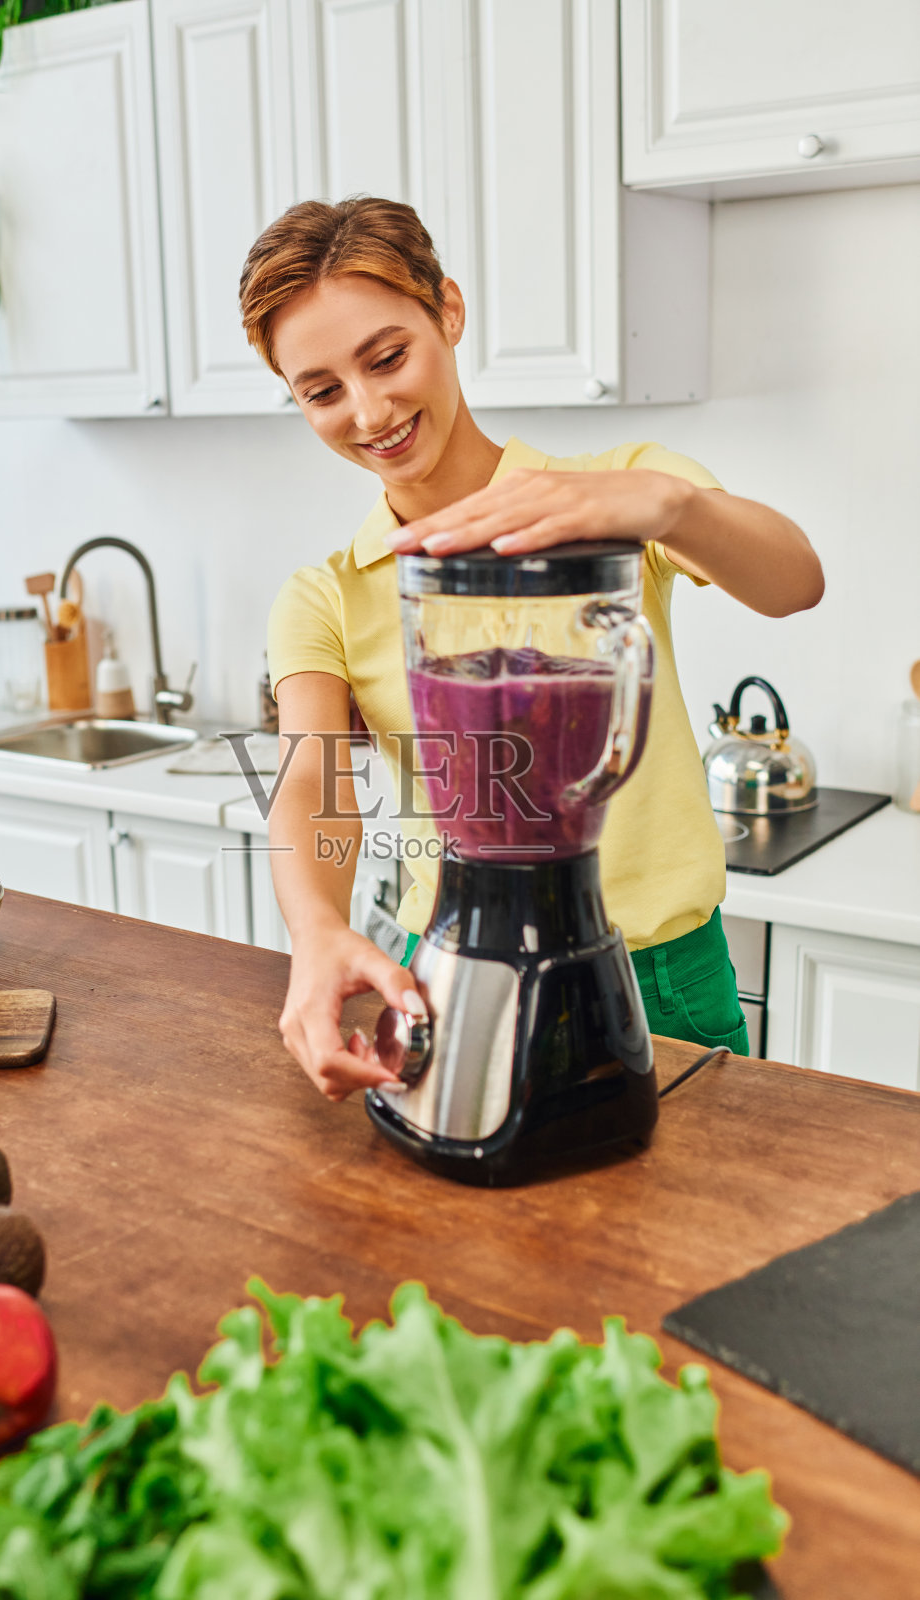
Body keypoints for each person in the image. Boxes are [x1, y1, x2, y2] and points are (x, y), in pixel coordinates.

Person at [239, 197, 824, 1103]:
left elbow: (793, 583)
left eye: (387, 356)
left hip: (660, 973)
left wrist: (665, 504)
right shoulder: (329, 592)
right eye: (321, 391)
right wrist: (316, 930)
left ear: (449, 312)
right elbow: (313, 785)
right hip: (449, 970)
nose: (369, 409)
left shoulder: (619, 492)